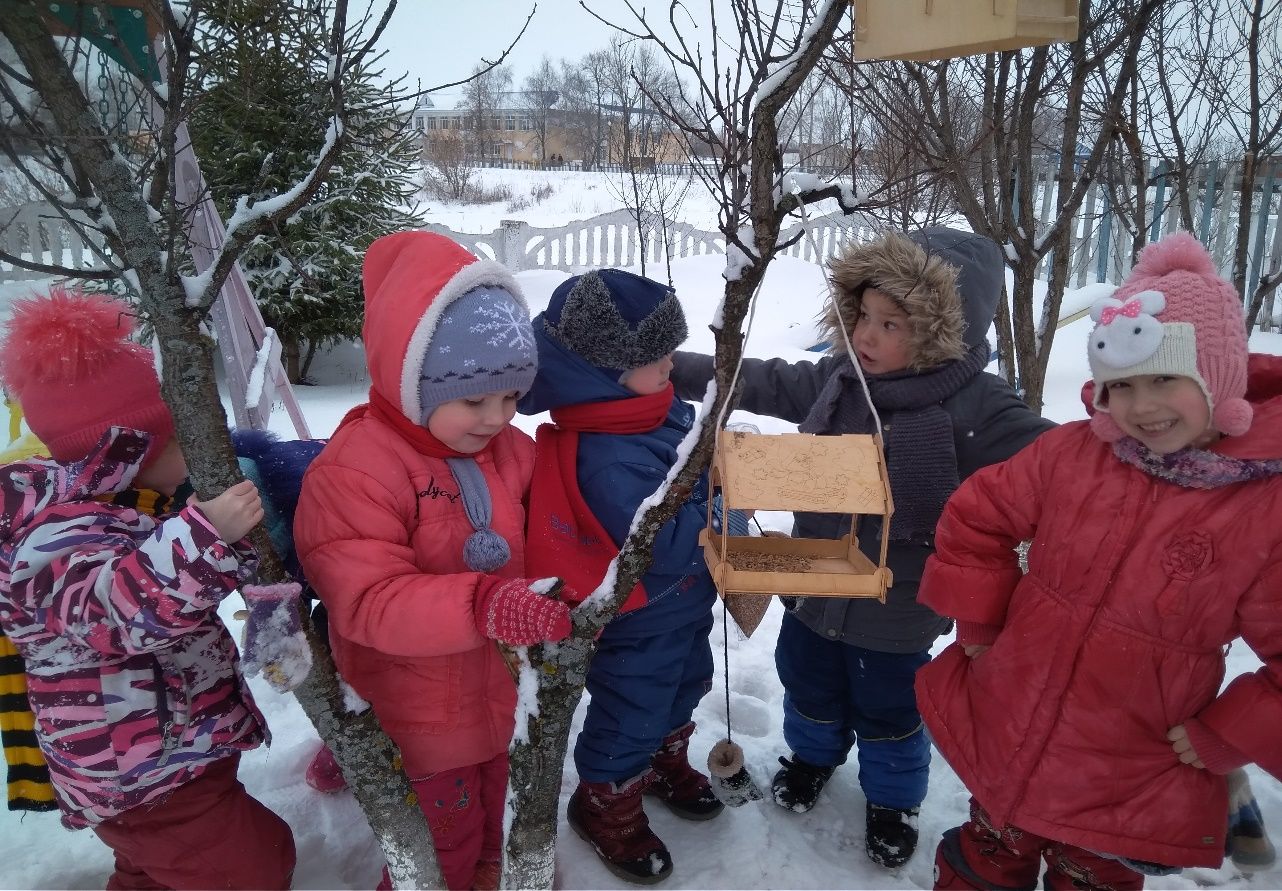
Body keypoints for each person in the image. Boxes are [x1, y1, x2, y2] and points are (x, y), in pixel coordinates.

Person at [670, 228, 1055, 868]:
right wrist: (675, 369)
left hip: (900, 607)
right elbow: (762, 380)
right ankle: (812, 759)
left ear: (938, 334)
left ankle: (893, 799)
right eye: (862, 317)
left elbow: (1058, 462)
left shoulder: (977, 406)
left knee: (891, 708)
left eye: (891, 324)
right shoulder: (840, 381)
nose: (867, 337)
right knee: (808, 681)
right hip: (815, 588)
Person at [917, 231, 1282, 890]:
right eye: (1122, 384)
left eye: (1165, 379)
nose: (1141, 406)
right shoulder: (1071, 456)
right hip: (1014, 720)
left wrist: (1230, 735)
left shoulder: (1259, 509)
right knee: (984, 859)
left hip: (1128, 766)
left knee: (1094, 879)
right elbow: (977, 516)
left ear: (1218, 379)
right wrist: (979, 625)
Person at [292, 231, 573, 891]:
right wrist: (481, 604)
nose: (497, 417)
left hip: (503, 698)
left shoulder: (509, 450)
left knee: (502, 818)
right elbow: (365, 598)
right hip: (415, 712)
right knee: (438, 841)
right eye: (474, 399)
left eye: (510, 397)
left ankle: (491, 869)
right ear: (411, 378)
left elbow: (560, 516)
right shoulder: (359, 469)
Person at [0, 287, 295, 890]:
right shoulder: (57, 540)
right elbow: (119, 613)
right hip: (139, 772)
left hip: (165, 756)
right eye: (180, 442)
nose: (193, 457)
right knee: (255, 865)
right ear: (126, 452)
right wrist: (206, 535)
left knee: (159, 869)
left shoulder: (132, 512)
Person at [519, 269, 735, 885]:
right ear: (605, 373)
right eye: (655, 357)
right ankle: (606, 798)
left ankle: (663, 760)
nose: (671, 365)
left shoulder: (650, 413)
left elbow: (697, 460)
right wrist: (722, 504)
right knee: (631, 708)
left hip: (685, 607)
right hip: (639, 617)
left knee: (686, 684)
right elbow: (667, 541)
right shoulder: (607, 453)